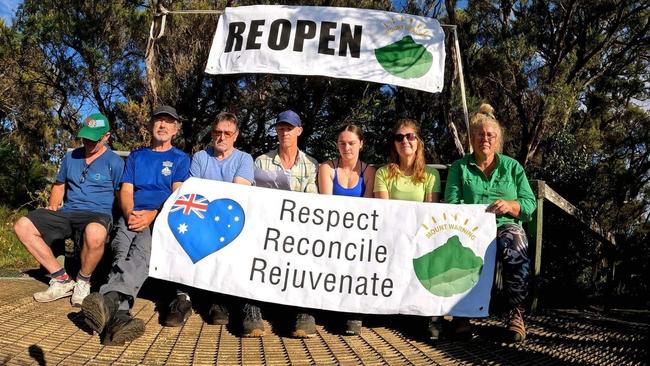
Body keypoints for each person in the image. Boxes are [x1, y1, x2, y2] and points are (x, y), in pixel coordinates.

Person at [80, 105, 190, 346]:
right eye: (158, 121)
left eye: (168, 122)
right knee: (121, 251)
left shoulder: (180, 159)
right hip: (130, 216)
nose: (162, 125)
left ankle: (108, 301)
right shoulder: (137, 156)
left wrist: (152, 215)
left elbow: (177, 196)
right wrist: (131, 214)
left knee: (141, 253)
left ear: (175, 129)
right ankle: (118, 317)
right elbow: (126, 190)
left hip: (160, 219)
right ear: (151, 126)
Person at [444, 103, 536, 343]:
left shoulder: (512, 167)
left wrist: (510, 205)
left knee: (515, 243)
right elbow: (451, 203)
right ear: (471, 139)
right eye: (480, 135)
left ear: (497, 140)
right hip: (469, 226)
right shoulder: (459, 167)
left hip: (505, 225)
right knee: (456, 242)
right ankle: (461, 315)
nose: (485, 138)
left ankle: (515, 314)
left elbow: (529, 203)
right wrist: (472, 214)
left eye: (490, 135)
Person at [14, 113, 124, 307]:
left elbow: (120, 194)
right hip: (68, 212)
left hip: (98, 214)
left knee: (95, 233)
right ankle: (61, 279)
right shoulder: (70, 157)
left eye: (93, 140)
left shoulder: (115, 162)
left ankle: (83, 282)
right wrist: (54, 205)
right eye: (85, 138)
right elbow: (59, 185)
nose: (87, 142)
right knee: (23, 226)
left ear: (106, 137)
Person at [162, 112, 255, 334]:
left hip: (229, 220)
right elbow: (193, 190)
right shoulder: (201, 157)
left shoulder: (244, 159)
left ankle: (218, 299)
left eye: (227, 133)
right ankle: (182, 298)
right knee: (181, 232)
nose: (221, 137)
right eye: (217, 132)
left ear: (236, 135)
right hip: (201, 217)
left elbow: (238, 193)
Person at [373, 118, 442, 338]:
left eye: (410, 136)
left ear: (418, 141)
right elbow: (384, 212)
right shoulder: (383, 173)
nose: (405, 141)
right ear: (394, 143)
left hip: (420, 235)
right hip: (390, 235)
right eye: (399, 137)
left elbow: (430, 212)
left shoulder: (431, 175)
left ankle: (428, 315)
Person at [254, 110, 319, 338]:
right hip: (268, 227)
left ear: (299, 131)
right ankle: (251, 308)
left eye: (289, 129)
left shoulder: (312, 165)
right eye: (281, 129)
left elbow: (312, 202)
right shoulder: (261, 161)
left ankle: (304, 311)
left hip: (299, 230)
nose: (284, 133)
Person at [318, 124, 376, 335]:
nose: (347, 147)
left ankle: (353, 311)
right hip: (332, 232)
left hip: (358, 235)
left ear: (361, 143)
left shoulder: (369, 171)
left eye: (351, 143)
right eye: (342, 143)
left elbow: (369, 207)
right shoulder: (327, 168)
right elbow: (327, 206)